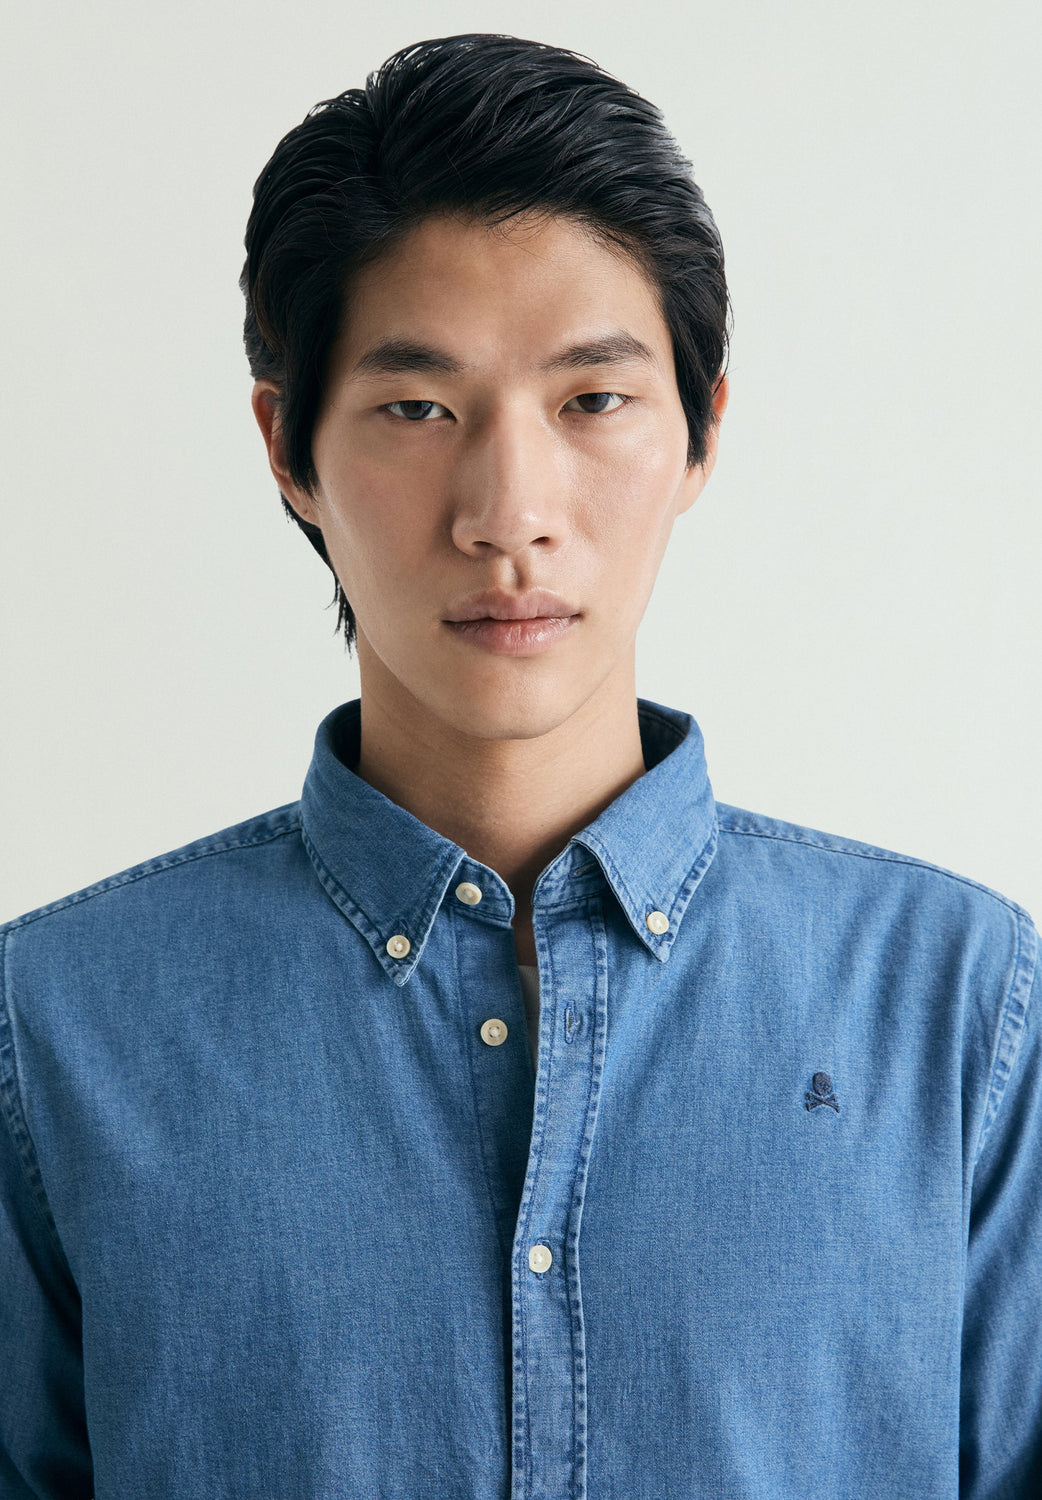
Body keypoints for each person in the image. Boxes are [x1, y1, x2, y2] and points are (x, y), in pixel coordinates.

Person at [1, 30, 1038, 1499]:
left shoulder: (958, 1008)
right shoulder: (57, 1032)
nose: (507, 510)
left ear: (701, 432)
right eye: (418, 409)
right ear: (288, 450)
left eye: (591, 400)